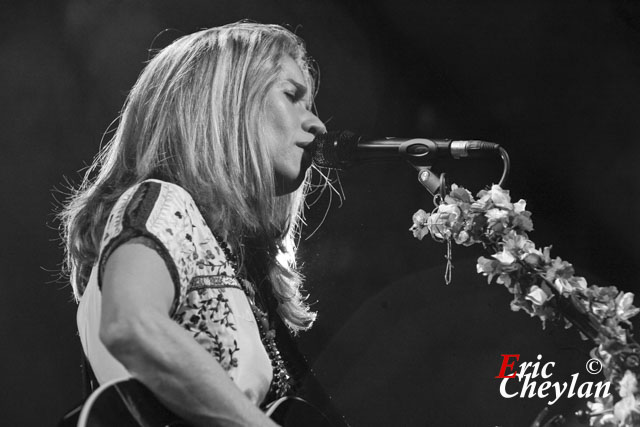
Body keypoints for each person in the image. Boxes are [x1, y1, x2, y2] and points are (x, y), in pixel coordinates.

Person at [59, 22, 326, 426]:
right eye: (292, 96)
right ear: (226, 105)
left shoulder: (227, 253)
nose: (317, 124)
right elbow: (131, 327)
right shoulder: (162, 204)